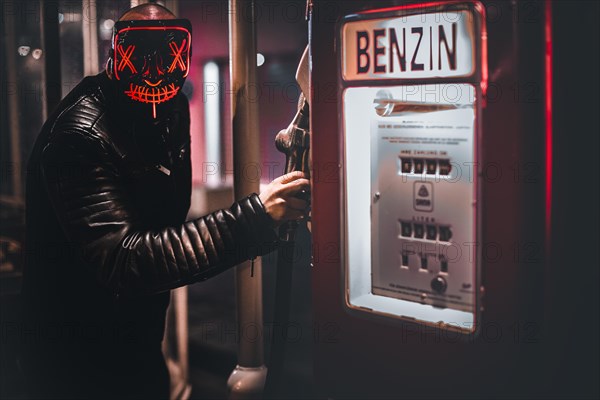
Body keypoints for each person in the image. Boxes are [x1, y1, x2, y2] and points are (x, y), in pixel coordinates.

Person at [20, 3, 309, 398]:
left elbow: (164, 223)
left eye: (167, 49)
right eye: (141, 50)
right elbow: (126, 262)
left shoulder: (169, 109)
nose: (154, 68)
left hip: (138, 337)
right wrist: (254, 216)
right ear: (116, 50)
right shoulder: (79, 136)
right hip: (72, 356)